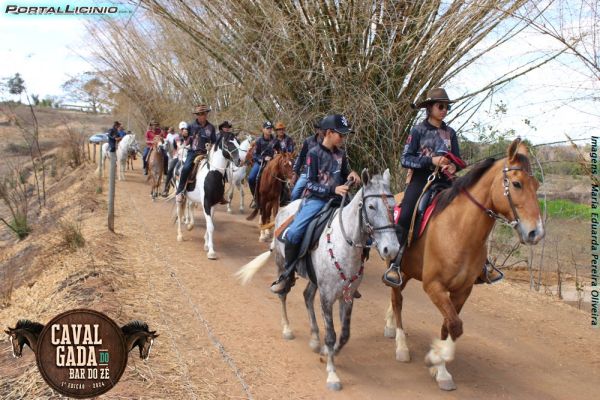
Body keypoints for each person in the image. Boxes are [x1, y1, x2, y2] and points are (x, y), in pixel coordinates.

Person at [381, 87, 501, 287]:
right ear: (430, 108)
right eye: (440, 106)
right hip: (421, 179)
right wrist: (431, 160)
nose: (444, 110)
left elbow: (458, 159)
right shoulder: (418, 130)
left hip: (447, 180)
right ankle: (395, 264)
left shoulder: (450, 132)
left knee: (474, 210)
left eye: (446, 107)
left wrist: (454, 164)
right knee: (406, 213)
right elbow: (406, 159)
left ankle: (483, 264)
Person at [270, 114, 361, 294]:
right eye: (341, 135)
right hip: (317, 200)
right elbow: (310, 183)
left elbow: (344, 173)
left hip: (339, 200)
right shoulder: (314, 153)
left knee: (363, 230)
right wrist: (332, 190)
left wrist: (352, 174)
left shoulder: (341, 154)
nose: (343, 138)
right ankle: (287, 275)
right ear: (329, 133)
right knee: (294, 234)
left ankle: (352, 276)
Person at [175, 104, 220, 202]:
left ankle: (219, 193)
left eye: (203, 113)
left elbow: (214, 141)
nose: (201, 116)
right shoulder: (191, 126)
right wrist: (184, 135)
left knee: (219, 168)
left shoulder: (211, 127)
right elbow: (185, 138)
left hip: (207, 154)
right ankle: (180, 191)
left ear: (206, 114)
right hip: (193, 152)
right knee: (186, 168)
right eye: (199, 114)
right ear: (197, 115)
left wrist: (212, 146)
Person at [291, 120, 324, 201]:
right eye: (320, 129)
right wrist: (295, 172)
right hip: (307, 172)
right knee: (294, 193)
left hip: (323, 173)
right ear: (317, 130)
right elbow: (301, 156)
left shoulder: (328, 143)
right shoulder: (308, 141)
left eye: (324, 129)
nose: (322, 131)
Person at [248, 121, 275, 201]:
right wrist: (263, 159)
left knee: (282, 177)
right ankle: (256, 198)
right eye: (267, 128)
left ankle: (283, 197)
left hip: (273, 163)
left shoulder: (275, 140)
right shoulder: (258, 141)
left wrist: (275, 156)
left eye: (270, 128)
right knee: (251, 178)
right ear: (263, 129)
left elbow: (280, 151)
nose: (269, 130)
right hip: (261, 162)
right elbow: (255, 155)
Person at [162, 125, 182, 196]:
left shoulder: (190, 138)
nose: (183, 131)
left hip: (186, 156)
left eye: (184, 129)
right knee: (170, 169)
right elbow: (176, 147)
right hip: (176, 156)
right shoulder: (176, 138)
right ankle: (166, 189)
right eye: (181, 129)